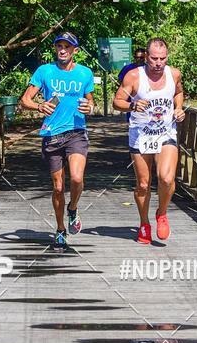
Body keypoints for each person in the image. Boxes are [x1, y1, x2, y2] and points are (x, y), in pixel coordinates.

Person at [20, 31, 95, 250]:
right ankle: (61, 228)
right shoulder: (45, 71)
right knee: (58, 186)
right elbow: (25, 100)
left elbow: (91, 102)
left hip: (76, 132)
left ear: (75, 51)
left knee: (77, 178)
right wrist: (39, 106)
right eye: (59, 46)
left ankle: (73, 208)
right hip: (52, 135)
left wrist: (90, 107)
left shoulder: (85, 73)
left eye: (67, 47)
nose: (62, 50)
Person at [112, 37, 185, 243]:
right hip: (141, 135)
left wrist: (178, 108)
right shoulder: (134, 76)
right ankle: (144, 223)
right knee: (143, 184)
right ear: (146, 56)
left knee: (166, 178)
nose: (158, 63)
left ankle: (161, 213)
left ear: (167, 57)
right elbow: (117, 101)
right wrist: (132, 106)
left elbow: (178, 93)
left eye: (162, 58)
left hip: (166, 133)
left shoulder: (174, 74)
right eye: (154, 58)